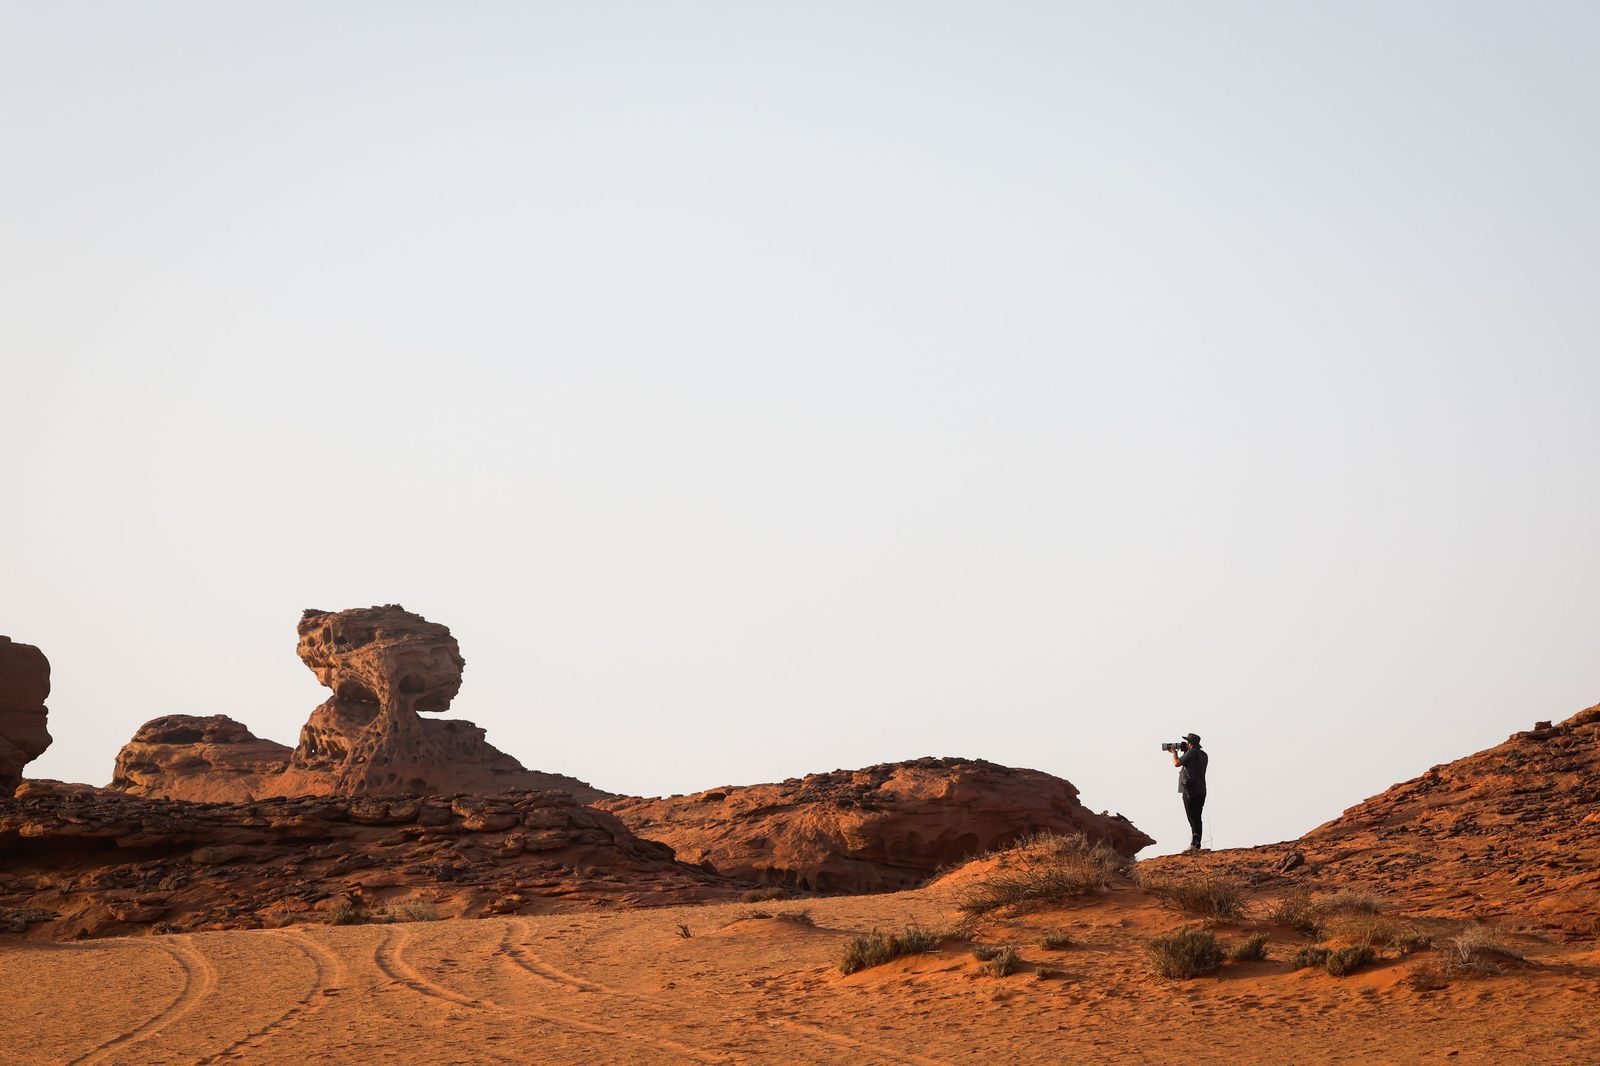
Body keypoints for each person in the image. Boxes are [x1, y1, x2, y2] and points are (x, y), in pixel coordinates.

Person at [1171, 732, 1208, 852]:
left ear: (1190, 744)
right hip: (1201, 790)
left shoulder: (1191, 753)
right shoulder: (1204, 755)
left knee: (1192, 818)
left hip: (1190, 790)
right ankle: (1196, 844)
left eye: (1187, 742)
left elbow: (1176, 763)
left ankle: (1194, 845)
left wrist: (1174, 753)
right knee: (1197, 818)